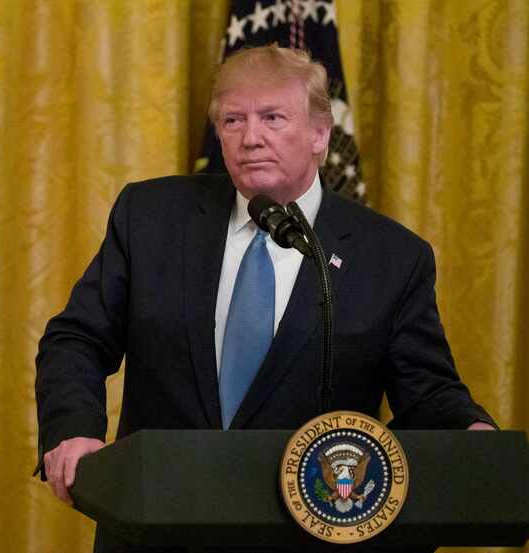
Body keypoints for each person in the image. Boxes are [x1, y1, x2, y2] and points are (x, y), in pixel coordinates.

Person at [34, 45, 495, 552]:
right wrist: (73, 432)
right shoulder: (149, 218)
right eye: (233, 120)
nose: (250, 138)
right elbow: (76, 338)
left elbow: (426, 391)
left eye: (272, 118)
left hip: (309, 533)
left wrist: (470, 432)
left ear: (320, 134)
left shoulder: (391, 257)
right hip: (156, 527)